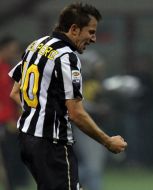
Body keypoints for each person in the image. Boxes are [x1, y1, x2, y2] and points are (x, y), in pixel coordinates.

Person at [8, 3, 127, 190]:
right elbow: (76, 113)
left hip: (28, 139)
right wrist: (108, 141)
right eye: (91, 32)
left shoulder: (36, 45)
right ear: (74, 29)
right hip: (52, 144)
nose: (94, 39)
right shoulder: (66, 57)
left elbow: (15, 92)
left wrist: (37, 114)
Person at [74, 50, 108, 190]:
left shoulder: (94, 83)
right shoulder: (80, 82)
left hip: (93, 126)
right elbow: (79, 105)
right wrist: (98, 108)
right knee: (93, 167)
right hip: (85, 127)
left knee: (94, 165)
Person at [0, 36, 28, 190]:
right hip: (4, 122)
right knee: (6, 163)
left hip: (11, 121)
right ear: (4, 48)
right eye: (12, 49)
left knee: (10, 160)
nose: (14, 53)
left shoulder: (7, 68)